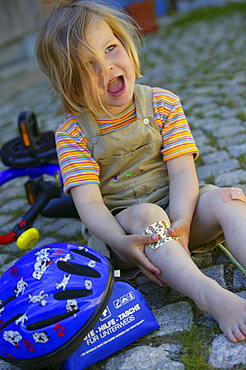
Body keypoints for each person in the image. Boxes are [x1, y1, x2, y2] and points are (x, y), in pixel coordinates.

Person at [36, 0, 246, 343]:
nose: (106, 68)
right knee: (148, 214)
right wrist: (119, 241)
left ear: (128, 44)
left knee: (228, 199)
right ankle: (210, 295)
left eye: (111, 49)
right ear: (72, 85)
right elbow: (88, 203)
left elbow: (181, 173)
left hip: (181, 211)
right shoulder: (73, 134)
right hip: (129, 233)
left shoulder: (162, 104)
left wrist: (181, 220)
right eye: (89, 65)